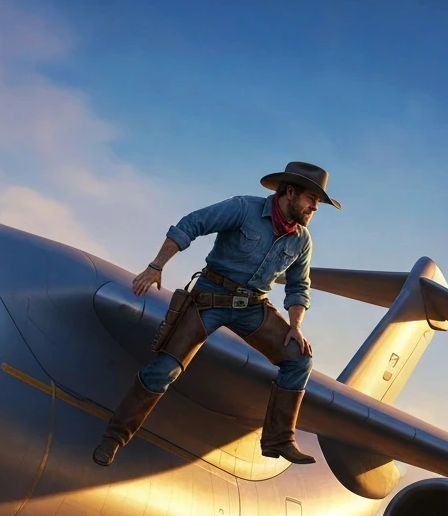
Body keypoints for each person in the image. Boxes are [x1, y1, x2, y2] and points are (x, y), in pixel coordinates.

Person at [93, 161, 340, 467]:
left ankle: (278, 439)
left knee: (300, 358)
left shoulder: (302, 240)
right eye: (311, 199)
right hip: (210, 298)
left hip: (253, 306)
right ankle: (114, 438)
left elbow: (299, 286)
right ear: (290, 192)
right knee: (164, 370)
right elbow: (191, 224)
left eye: (319, 202)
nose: (315, 207)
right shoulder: (243, 209)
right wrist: (156, 266)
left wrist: (295, 325)